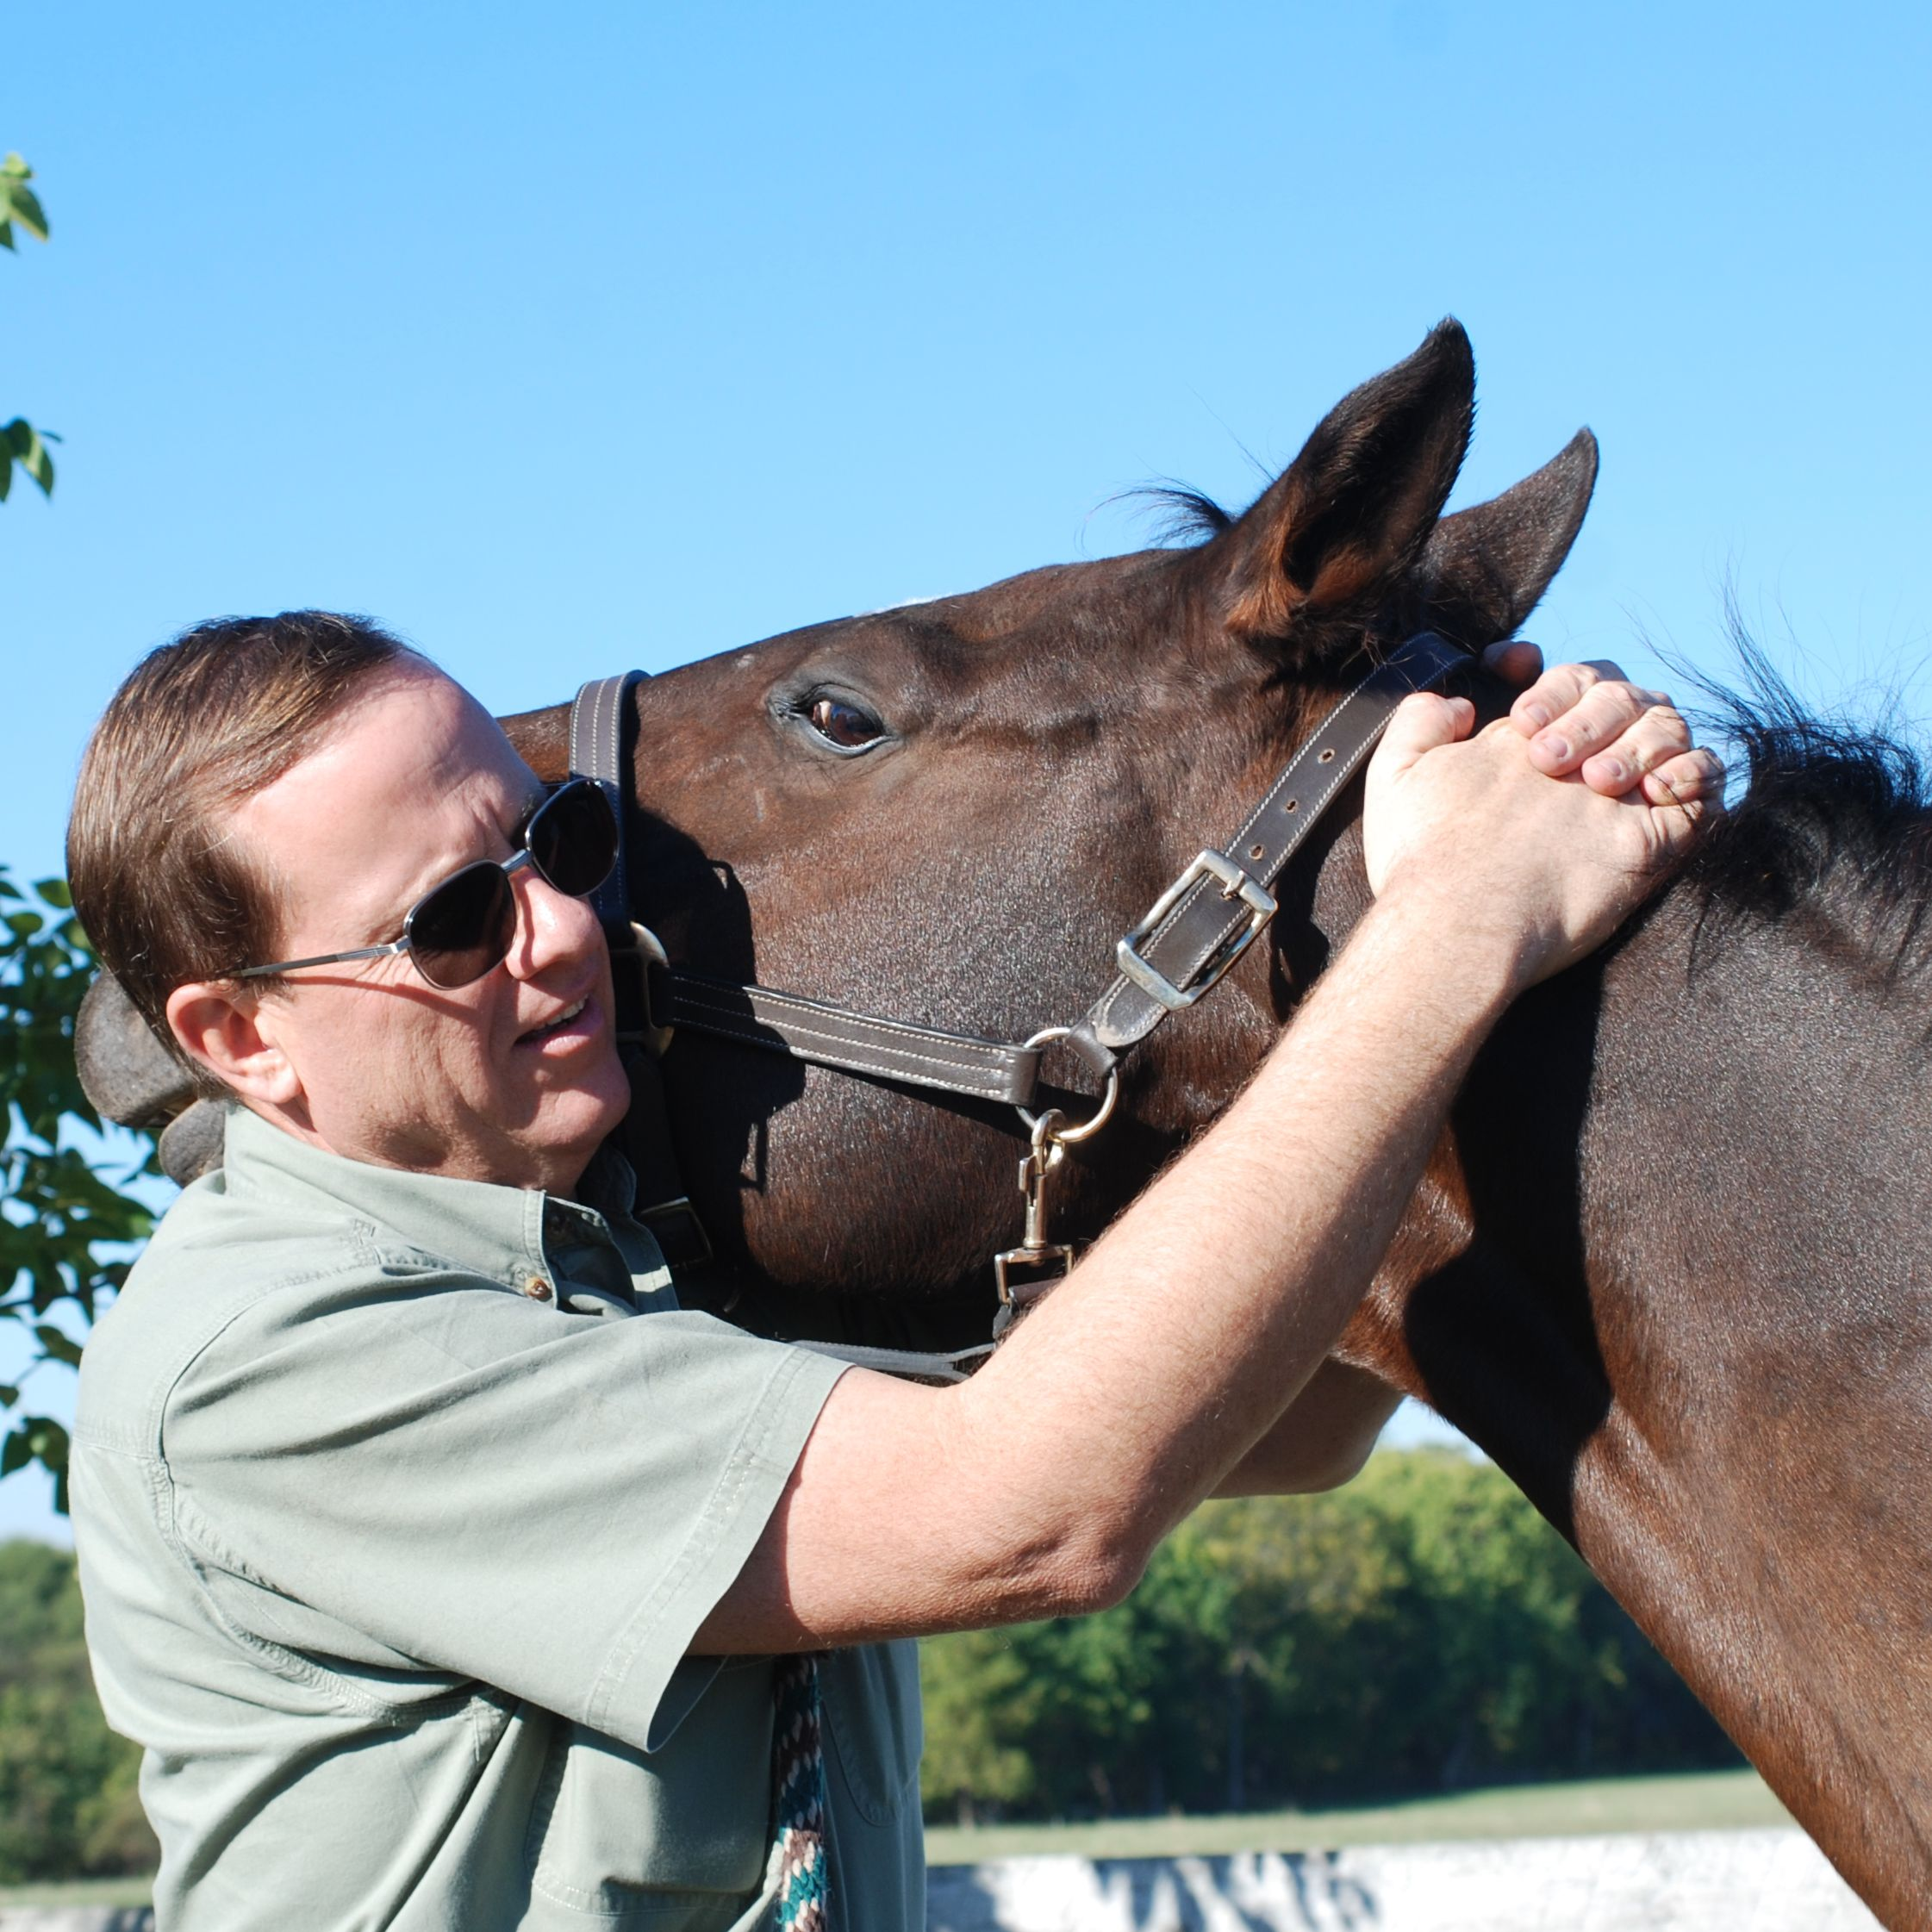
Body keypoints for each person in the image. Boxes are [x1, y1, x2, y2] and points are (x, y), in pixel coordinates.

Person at [65, 611, 1720, 1931]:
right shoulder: (266, 1351)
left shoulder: (630, 1265)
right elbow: (1033, 1508)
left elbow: (1283, 1429)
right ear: (238, 1037)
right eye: (449, 925)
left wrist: (1405, 914)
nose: (562, 931)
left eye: (553, 844)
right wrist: (1455, 924)